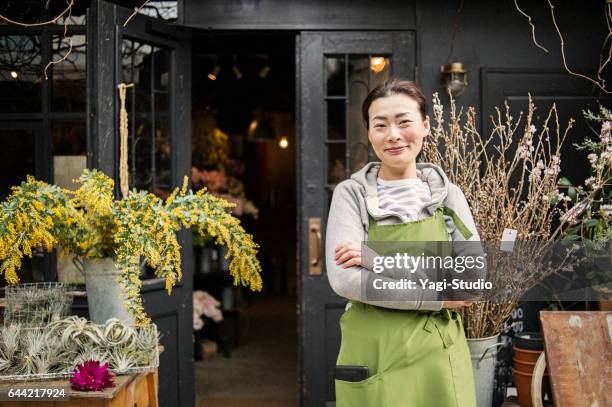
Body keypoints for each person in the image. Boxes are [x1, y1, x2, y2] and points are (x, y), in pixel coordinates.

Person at [325, 79, 485, 406]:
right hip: (375, 353)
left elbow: (471, 282)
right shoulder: (350, 194)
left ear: (425, 125)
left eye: (404, 122)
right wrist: (437, 295)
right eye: (380, 125)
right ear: (370, 133)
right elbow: (345, 279)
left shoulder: (448, 196)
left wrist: (378, 258)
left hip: (438, 357)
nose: (393, 135)